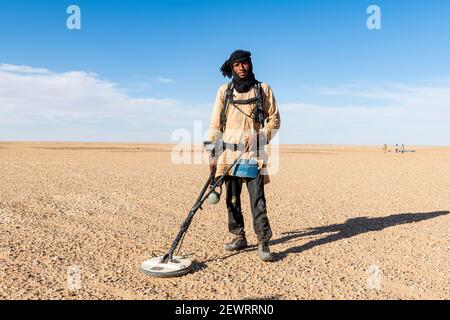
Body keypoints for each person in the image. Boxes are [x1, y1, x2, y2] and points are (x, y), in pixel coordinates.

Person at [207, 50, 281, 262]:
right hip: (228, 155)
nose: (241, 68)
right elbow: (215, 124)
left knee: (257, 200)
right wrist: (213, 153)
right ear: (231, 67)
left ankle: (263, 241)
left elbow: (275, 120)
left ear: (250, 64)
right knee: (231, 200)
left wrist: (260, 135)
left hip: (252, 155)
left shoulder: (263, 89)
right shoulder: (224, 91)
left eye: (244, 64)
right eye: (236, 65)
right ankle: (239, 236)